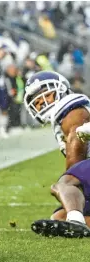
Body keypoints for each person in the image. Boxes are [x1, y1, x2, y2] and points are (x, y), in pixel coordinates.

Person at [23, 71, 90, 237]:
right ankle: (78, 223)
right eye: (37, 102)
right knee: (59, 217)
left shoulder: (69, 105)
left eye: (46, 96)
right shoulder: (61, 119)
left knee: (63, 185)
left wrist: (71, 179)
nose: (41, 104)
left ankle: (76, 222)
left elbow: (77, 139)